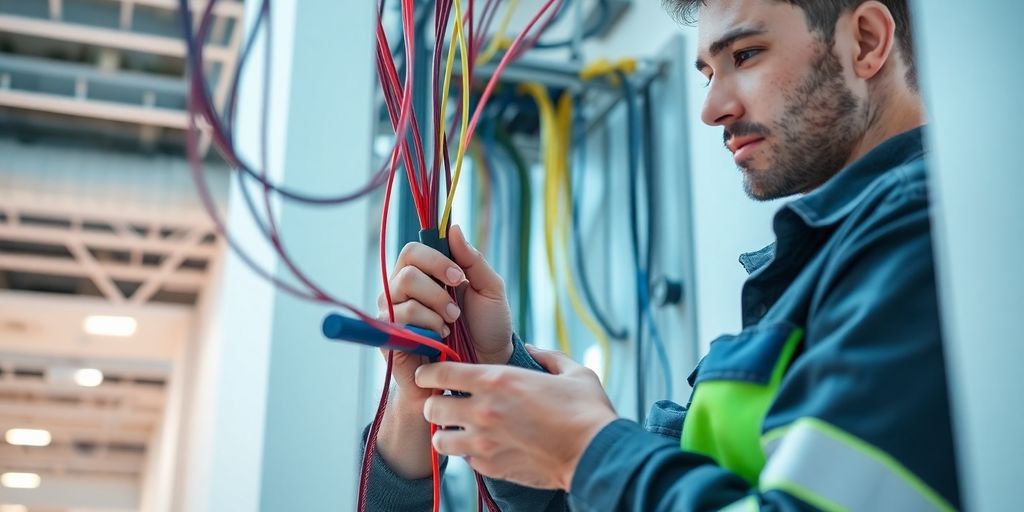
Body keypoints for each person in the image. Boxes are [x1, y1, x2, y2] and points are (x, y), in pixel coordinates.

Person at [365, 0, 960, 509]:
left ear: (866, 41)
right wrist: (489, 363)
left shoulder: (928, 236)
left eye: (745, 55)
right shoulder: (817, 270)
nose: (711, 108)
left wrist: (586, 450)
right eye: (707, 72)